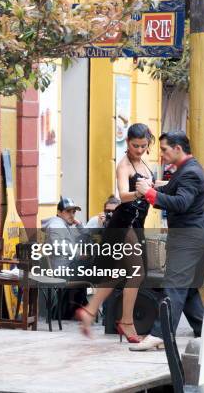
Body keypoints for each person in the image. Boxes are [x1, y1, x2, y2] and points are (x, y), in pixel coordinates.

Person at [131, 131, 204, 351]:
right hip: (194, 238)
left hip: (190, 240)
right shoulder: (185, 170)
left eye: (165, 149)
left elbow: (181, 202)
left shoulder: (191, 172)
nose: (162, 154)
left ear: (178, 148)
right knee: (188, 293)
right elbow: (171, 190)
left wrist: (149, 192)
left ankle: (160, 334)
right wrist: (154, 188)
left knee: (174, 286)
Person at [75, 123, 155, 343]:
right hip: (125, 223)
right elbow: (122, 194)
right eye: (134, 145)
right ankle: (126, 322)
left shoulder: (143, 163)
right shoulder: (124, 166)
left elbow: (152, 186)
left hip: (136, 224)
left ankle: (89, 312)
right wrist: (143, 192)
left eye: (142, 145)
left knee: (117, 273)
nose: (138, 150)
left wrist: (171, 185)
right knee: (137, 274)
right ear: (127, 142)